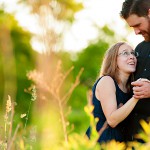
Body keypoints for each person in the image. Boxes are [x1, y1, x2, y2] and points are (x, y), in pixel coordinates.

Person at [86, 41, 139, 143]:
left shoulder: (129, 87)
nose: (132, 56)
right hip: (101, 142)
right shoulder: (107, 81)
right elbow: (112, 120)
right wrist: (137, 96)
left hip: (120, 143)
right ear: (113, 60)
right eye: (125, 53)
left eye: (133, 53)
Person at [120, 0, 150, 142]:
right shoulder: (138, 49)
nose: (136, 32)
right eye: (132, 27)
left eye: (138, 25)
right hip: (132, 137)